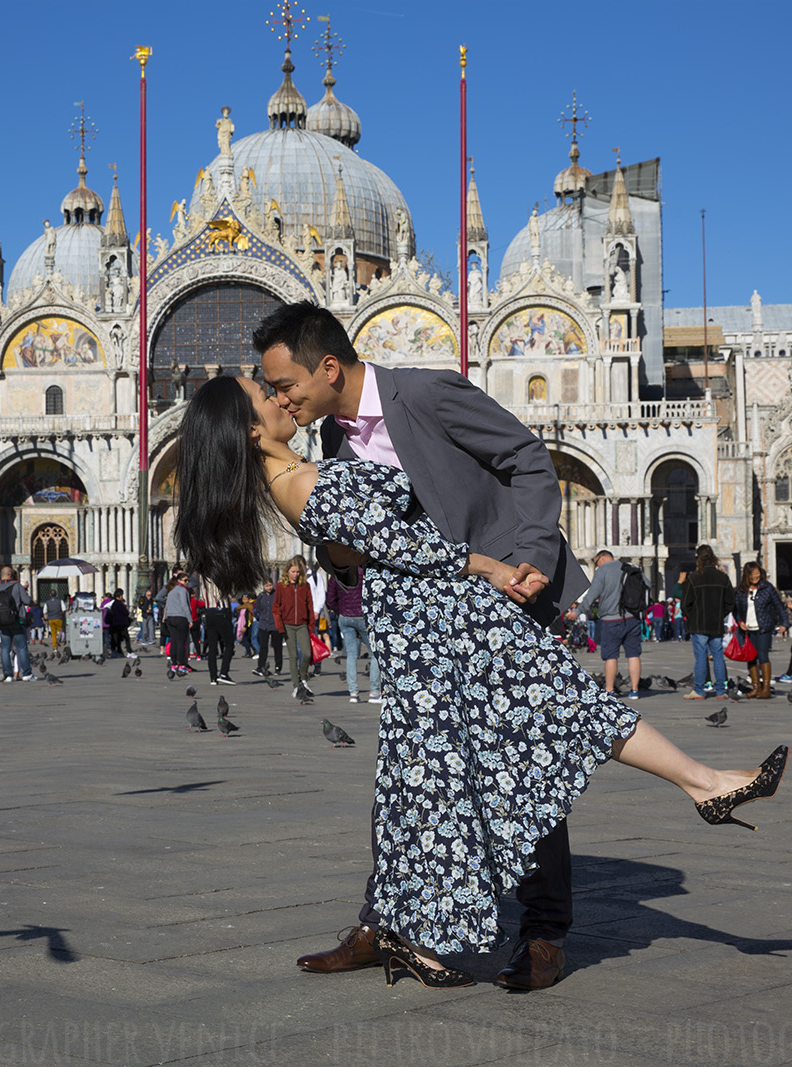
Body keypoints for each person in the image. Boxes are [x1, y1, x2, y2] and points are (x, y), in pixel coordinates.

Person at [173, 375, 787, 985]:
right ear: (252, 429)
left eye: (278, 384)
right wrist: (487, 566)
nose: (281, 397)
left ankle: (414, 932)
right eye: (265, 394)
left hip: (440, 622)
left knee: (450, 773)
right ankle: (703, 787)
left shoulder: (304, 469)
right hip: (447, 622)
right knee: (539, 726)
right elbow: (406, 546)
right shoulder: (301, 481)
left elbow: (372, 543)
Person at [256, 300, 592, 991]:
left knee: (521, 765)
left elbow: (527, 457)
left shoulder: (427, 391)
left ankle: (542, 929)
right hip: (424, 632)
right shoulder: (332, 444)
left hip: (503, 599)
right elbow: (374, 549)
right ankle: (389, 923)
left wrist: (528, 556)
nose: (278, 398)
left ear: (327, 366)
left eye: (284, 384)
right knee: (408, 773)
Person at [575, 550, 647, 699]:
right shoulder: (630, 567)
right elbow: (646, 583)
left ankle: (609, 691)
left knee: (610, 656)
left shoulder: (603, 572)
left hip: (611, 620)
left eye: (596, 563)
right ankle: (634, 690)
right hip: (632, 618)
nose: (597, 566)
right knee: (633, 655)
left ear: (601, 558)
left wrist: (578, 611)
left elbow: (592, 595)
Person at [680, 544, 735, 699]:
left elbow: (685, 604)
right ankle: (720, 691)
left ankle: (698, 690)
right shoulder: (722, 577)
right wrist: (720, 615)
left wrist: (692, 617)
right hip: (716, 624)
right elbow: (730, 601)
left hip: (698, 624)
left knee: (701, 657)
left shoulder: (693, 577)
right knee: (717, 656)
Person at [734, 561, 789, 699]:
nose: (755, 576)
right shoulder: (740, 590)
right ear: (747, 575)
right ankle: (755, 688)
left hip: (764, 627)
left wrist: (784, 623)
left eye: (757, 573)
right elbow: (736, 610)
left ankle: (766, 688)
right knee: (751, 658)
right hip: (748, 629)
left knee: (763, 655)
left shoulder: (767, 588)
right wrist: (740, 622)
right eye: (752, 574)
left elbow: (779, 606)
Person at [328, 566, 380, 703]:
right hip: (362, 616)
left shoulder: (337, 572)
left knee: (351, 655)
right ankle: (374, 692)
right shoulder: (365, 571)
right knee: (375, 654)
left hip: (344, 617)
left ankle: (353, 693)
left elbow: (330, 599)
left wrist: (341, 611)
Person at [273, 557, 316, 692]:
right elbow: (276, 607)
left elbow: (310, 606)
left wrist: (311, 627)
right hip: (287, 624)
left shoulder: (305, 586)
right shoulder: (281, 586)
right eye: (293, 572)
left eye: (298, 572)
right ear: (287, 572)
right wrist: (280, 626)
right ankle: (296, 686)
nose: (296, 574)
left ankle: (303, 677)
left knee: (307, 654)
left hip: (302, 624)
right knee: (293, 656)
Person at [0, 565, 36, 682]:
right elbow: (26, 601)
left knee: (5, 649)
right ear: (10, 575)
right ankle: (26, 674)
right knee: (21, 647)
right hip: (17, 621)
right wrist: (32, 601)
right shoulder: (17, 586)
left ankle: (8, 675)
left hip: (2, 623)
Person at [202, 596, 237, 685]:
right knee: (229, 644)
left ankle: (213, 677)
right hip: (221, 611)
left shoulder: (205, 581)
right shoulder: (223, 581)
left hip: (209, 612)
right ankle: (224, 673)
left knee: (212, 646)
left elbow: (202, 597)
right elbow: (230, 594)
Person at [163, 574, 194, 674]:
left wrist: (166, 617)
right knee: (181, 642)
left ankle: (174, 664)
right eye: (185, 580)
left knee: (174, 642)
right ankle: (181, 665)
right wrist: (190, 619)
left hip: (171, 618)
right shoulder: (183, 590)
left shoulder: (171, 591)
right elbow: (185, 605)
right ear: (179, 580)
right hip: (181, 617)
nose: (187, 583)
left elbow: (167, 605)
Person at [252, 578, 283, 676]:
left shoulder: (277, 595)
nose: (269, 588)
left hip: (275, 624)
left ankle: (278, 667)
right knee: (263, 647)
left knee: (277, 646)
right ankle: (260, 666)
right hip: (264, 624)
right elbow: (257, 609)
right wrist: (260, 618)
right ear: (263, 586)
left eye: (270, 585)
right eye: (266, 586)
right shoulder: (261, 596)